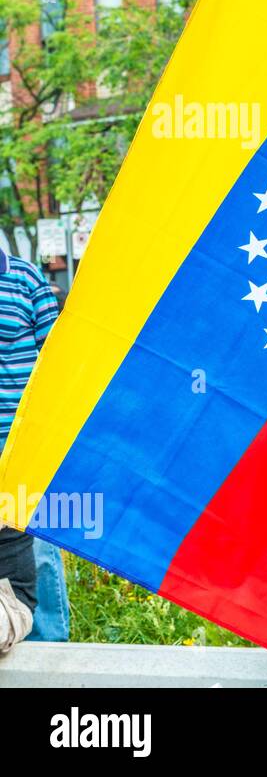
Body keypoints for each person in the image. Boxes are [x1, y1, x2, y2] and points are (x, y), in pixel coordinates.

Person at [0, 252, 62, 653]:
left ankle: (50, 651)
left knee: (38, 551)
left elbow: (58, 357)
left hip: (23, 443)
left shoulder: (25, 278)